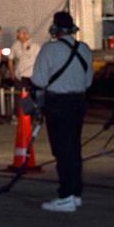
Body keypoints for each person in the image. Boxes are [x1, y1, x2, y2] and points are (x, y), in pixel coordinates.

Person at [31, 11, 94, 212]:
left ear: (55, 29)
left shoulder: (49, 50)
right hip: (78, 102)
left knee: (61, 149)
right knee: (74, 148)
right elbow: (88, 81)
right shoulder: (84, 49)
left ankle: (66, 195)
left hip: (58, 104)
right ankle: (75, 193)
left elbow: (39, 81)